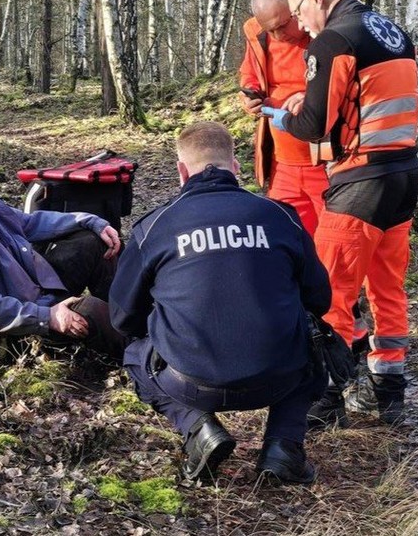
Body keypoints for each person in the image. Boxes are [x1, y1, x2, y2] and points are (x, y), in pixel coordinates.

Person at [110, 122, 330, 484]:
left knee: (135, 354)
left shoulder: (154, 227)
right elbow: (320, 299)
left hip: (190, 382)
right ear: (236, 166)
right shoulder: (280, 216)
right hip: (280, 376)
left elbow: (122, 318)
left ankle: (198, 429)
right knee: (316, 338)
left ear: (181, 171)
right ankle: (284, 447)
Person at [270, 0, 418, 427]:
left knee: (331, 291)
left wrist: (285, 116)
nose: (300, 24)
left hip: (361, 182)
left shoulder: (335, 39)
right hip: (402, 176)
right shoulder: (388, 29)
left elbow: (316, 124)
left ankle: (325, 398)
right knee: (387, 287)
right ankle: (388, 391)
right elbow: (365, 102)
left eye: (298, 10)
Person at [0, 155, 123, 363]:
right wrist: (48, 317)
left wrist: (91, 221)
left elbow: (30, 223)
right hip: (14, 330)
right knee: (89, 310)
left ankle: (129, 315)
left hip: (37, 293)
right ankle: (144, 351)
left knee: (92, 242)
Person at [238, 0, 329, 236]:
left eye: (282, 25)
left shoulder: (327, 32)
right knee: (287, 237)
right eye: (271, 30)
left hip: (325, 162)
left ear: (296, 7)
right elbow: (249, 73)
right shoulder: (256, 33)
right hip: (280, 163)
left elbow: (347, 82)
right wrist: (249, 96)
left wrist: (312, 96)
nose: (279, 35)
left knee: (337, 242)